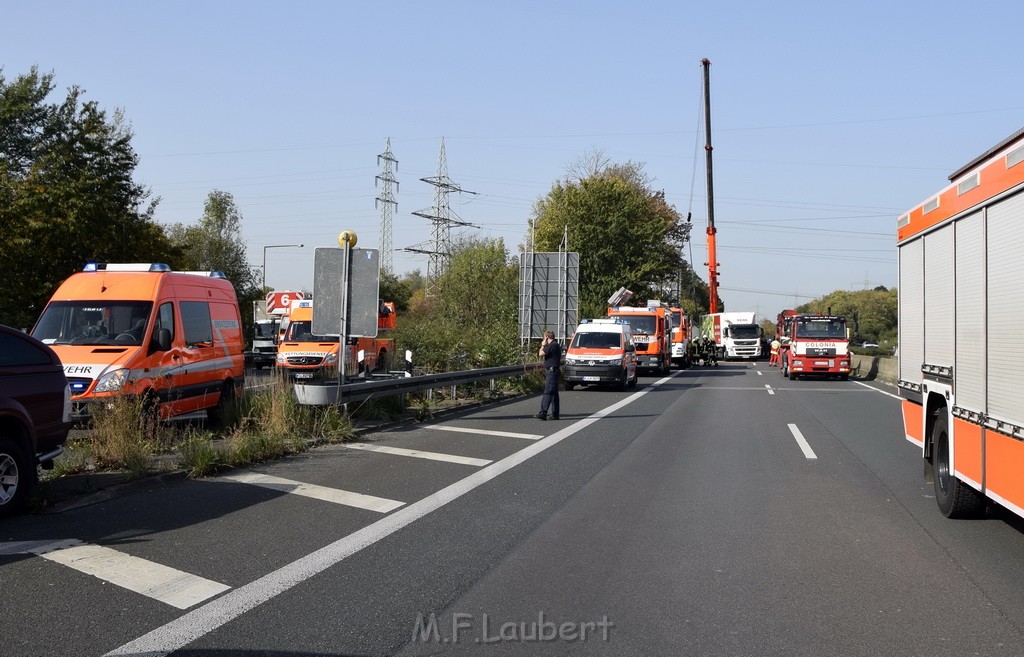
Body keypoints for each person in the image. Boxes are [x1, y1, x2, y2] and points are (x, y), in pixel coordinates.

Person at [536, 330, 561, 420]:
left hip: (552, 371)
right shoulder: (556, 345)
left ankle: (543, 413)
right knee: (554, 393)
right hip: (554, 371)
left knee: (548, 392)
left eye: (544, 337)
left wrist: (543, 345)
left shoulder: (552, 345)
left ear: (546, 337)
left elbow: (540, 353)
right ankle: (555, 414)